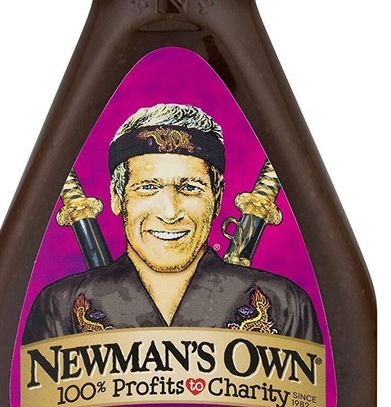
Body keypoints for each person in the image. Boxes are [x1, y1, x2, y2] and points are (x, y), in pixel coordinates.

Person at [22, 104, 322, 344]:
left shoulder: (284, 304)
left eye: (190, 188)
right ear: (116, 197)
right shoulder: (60, 306)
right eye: (148, 187)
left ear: (217, 198)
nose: (170, 212)